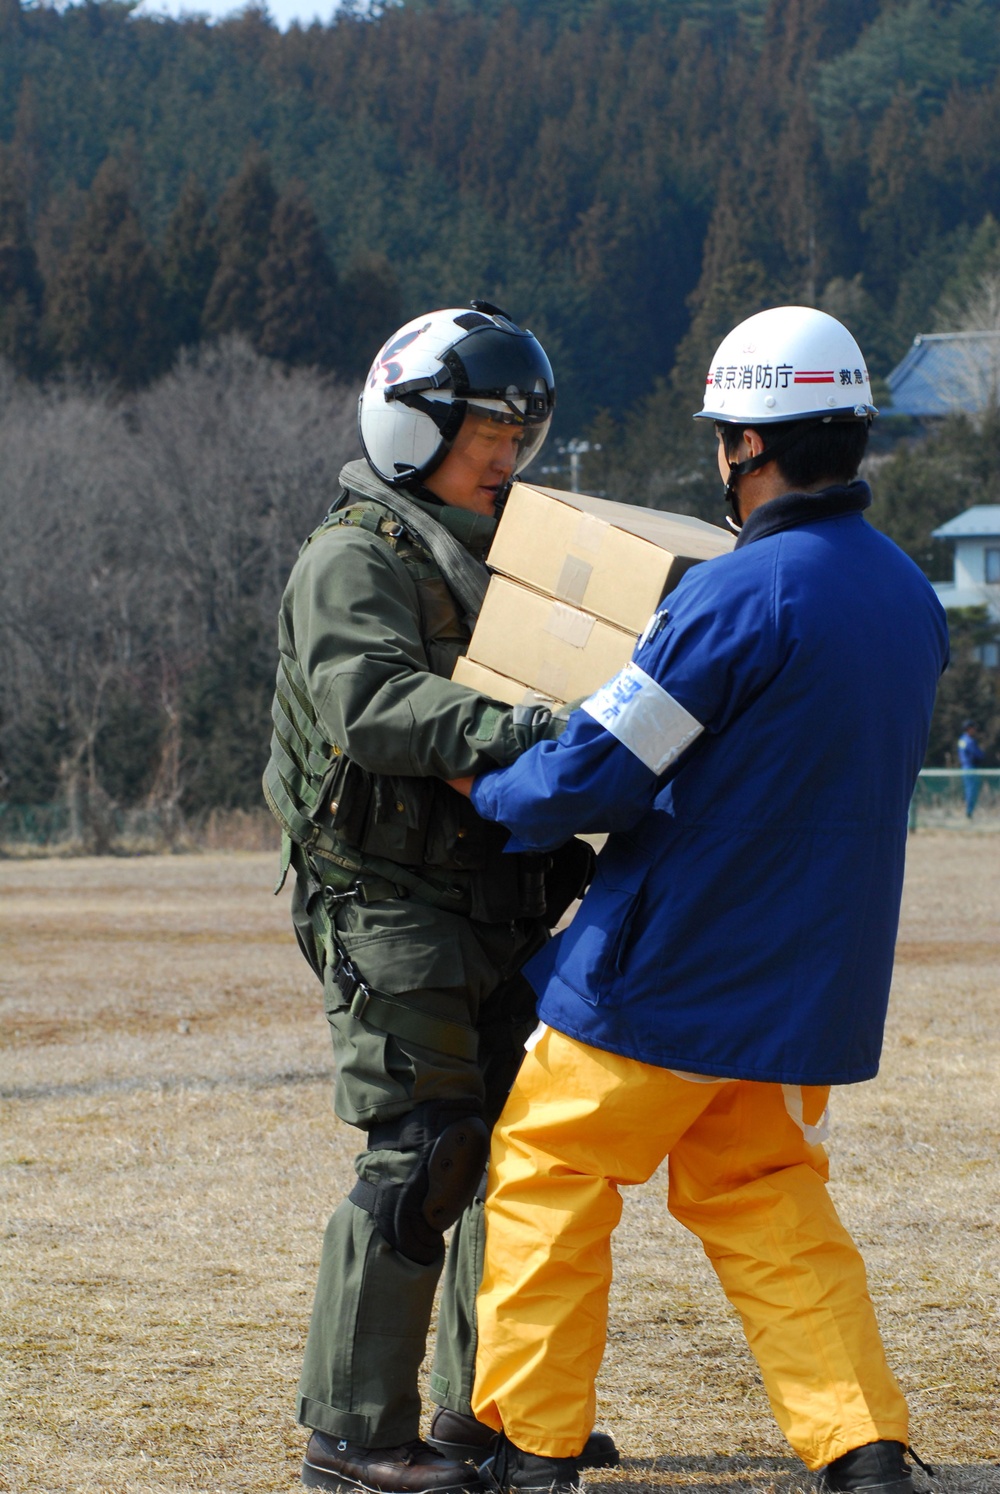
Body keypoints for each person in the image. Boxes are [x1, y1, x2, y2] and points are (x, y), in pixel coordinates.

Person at [447, 307, 950, 1494]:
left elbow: (603, 770)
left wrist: (492, 789)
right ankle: (863, 1448)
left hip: (667, 974)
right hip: (802, 994)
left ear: (747, 447)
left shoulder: (736, 595)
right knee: (768, 1199)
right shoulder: (904, 596)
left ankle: (530, 1447)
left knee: (549, 1171)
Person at [262, 302, 611, 1494]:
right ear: (416, 430)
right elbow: (367, 703)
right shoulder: (354, 556)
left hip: (501, 902)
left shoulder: (500, 559)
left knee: (518, 1155)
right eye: (489, 437)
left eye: (521, 438)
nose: (508, 459)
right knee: (427, 1154)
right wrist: (530, 728)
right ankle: (354, 1437)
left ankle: (487, 1409)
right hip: (389, 907)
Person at [957, 719, 984, 817]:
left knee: (969, 790)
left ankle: (968, 811)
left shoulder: (962, 740)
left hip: (965, 768)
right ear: (969, 729)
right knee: (971, 790)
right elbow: (978, 754)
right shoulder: (969, 741)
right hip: (970, 768)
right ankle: (969, 812)